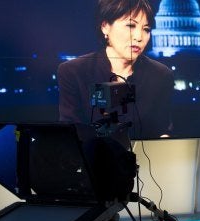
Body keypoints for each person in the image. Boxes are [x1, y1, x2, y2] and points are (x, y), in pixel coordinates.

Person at [57, 0, 174, 139]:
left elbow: (162, 130)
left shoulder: (160, 75)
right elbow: (70, 133)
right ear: (105, 26)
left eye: (146, 29)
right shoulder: (74, 72)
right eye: (130, 25)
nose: (139, 37)